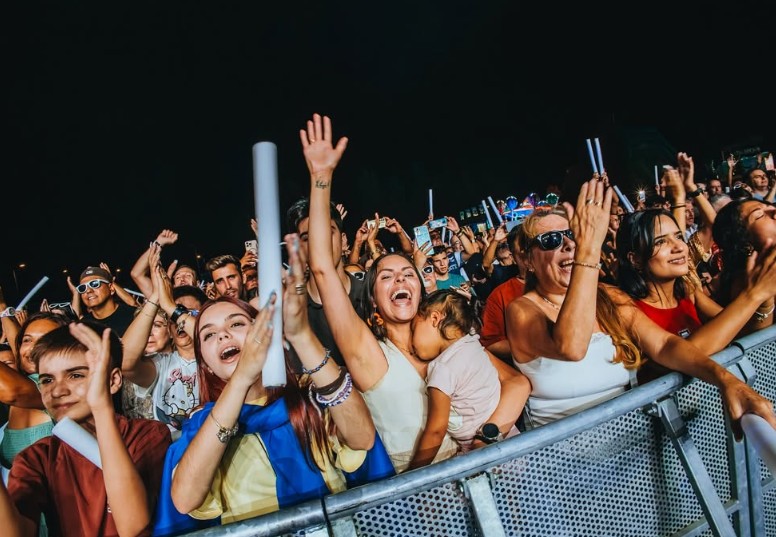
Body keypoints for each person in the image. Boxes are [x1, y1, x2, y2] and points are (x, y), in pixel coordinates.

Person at [303, 113, 528, 472]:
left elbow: (517, 383)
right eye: (387, 277)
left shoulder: (449, 337)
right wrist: (321, 180)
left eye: (408, 273)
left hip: (499, 469)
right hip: (426, 494)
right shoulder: (369, 354)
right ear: (373, 300)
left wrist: (485, 440)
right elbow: (323, 270)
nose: (400, 280)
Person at [152, 237, 393, 536]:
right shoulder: (203, 427)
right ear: (206, 365)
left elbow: (362, 438)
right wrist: (241, 379)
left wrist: (301, 335)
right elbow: (185, 499)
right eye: (209, 335)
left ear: (264, 332)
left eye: (236, 324)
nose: (224, 336)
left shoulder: (310, 394)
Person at [506, 178, 776, 434]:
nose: (568, 244)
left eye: (571, 234)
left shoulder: (609, 296)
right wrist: (588, 249)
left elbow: (665, 345)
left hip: (635, 446)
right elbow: (572, 346)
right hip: (569, 464)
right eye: (552, 240)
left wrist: (728, 381)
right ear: (528, 260)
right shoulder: (522, 310)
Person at [0, 320, 171, 537]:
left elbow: (133, 526)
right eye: (47, 380)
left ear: (113, 380)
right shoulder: (37, 457)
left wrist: (101, 409)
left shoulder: (146, 434)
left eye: (76, 375)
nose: (58, 390)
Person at [616, 208, 776, 383]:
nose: (678, 247)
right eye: (661, 242)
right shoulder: (627, 308)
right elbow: (686, 355)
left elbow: (740, 331)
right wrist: (753, 295)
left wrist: (765, 301)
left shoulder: (687, 291)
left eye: (678, 236)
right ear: (635, 259)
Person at [408, 289, 515, 469]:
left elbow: (436, 431)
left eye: (413, 329)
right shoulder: (473, 345)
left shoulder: (443, 368)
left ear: (435, 319)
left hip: (483, 458)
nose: (411, 343)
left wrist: (413, 474)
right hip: (510, 435)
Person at [121, 244, 203, 435]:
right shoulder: (162, 365)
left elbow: (208, 337)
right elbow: (125, 362)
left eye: (190, 313)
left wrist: (171, 307)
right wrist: (158, 296)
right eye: (173, 315)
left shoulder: (216, 358)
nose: (180, 321)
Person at [286, 197, 369, 368]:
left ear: (344, 240)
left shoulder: (370, 294)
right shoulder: (291, 311)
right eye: (307, 237)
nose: (319, 243)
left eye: (327, 232)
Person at [0, 312, 70, 472]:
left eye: (45, 340)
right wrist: (3, 309)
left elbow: (11, 391)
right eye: (27, 340)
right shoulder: (25, 382)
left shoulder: (59, 387)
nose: (32, 348)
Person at [712, 198, 776, 317]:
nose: (774, 212)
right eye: (759, 215)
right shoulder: (745, 284)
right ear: (745, 243)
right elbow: (760, 335)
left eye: (771, 206)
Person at [480, 226, 526, 362]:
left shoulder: (566, 279)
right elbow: (486, 264)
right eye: (523, 247)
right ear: (514, 254)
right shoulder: (502, 285)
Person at [77, 266, 137, 337]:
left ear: (111, 288)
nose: (88, 290)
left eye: (95, 284)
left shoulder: (133, 316)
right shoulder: (83, 326)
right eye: (82, 288)